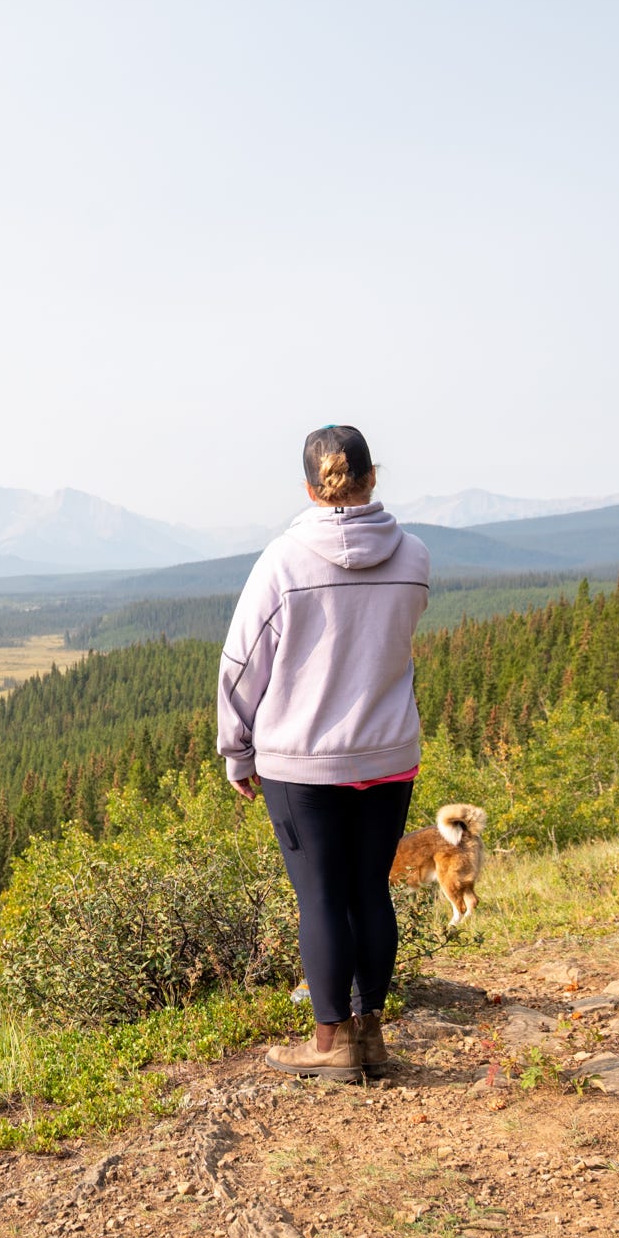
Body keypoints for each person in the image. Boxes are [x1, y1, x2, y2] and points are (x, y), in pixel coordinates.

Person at [216, 425, 430, 1081]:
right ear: (373, 477)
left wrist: (237, 750)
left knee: (320, 898)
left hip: (301, 761)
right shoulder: (415, 556)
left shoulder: (283, 561)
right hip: (388, 755)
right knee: (371, 892)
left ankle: (328, 1045)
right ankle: (372, 1040)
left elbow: (242, 662)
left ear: (310, 488)